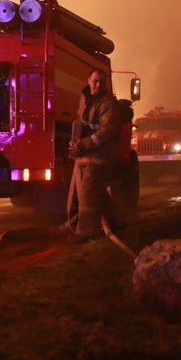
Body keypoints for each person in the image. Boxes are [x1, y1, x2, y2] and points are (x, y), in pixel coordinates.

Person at [66, 68, 122, 243]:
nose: (98, 85)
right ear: (88, 80)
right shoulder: (84, 100)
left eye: (102, 82)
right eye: (95, 81)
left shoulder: (108, 103)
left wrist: (83, 144)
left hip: (101, 155)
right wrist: (75, 143)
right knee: (86, 192)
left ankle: (87, 233)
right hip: (85, 153)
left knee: (89, 190)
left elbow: (108, 131)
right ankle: (117, 222)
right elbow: (80, 123)